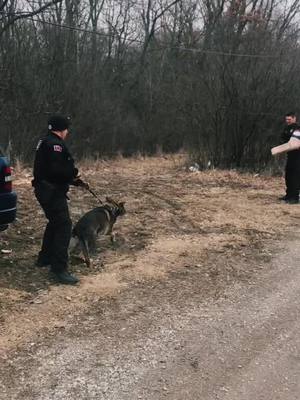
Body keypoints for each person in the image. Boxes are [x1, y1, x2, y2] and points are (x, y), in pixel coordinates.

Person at [32, 114, 88, 284]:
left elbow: (50, 170)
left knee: (55, 222)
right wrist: (73, 173)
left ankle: (45, 258)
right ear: (63, 130)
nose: (67, 132)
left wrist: (74, 181)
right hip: (51, 192)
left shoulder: (45, 141)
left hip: (45, 189)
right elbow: (57, 171)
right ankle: (59, 269)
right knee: (64, 226)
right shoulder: (55, 145)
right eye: (67, 129)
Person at [279, 112, 300, 204]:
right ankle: (288, 195)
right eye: (286, 119)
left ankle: (294, 197)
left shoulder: (298, 129)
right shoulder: (286, 128)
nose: (287, 121)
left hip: (298, 156)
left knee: (295, 176)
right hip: (290, 155)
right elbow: (282, 138)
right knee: (288, 175)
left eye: (289, 119)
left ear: (294, 118)